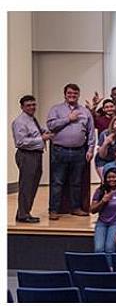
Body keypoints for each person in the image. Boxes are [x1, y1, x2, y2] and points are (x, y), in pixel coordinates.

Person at [46, 83, 95, 219]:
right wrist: (68, 119)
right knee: (57, 182)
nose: (72, 95)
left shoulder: (85, 111)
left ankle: (76, 208)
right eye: (69, 93)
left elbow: (91, 132)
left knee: (76, 182)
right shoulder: (56, 109)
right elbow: (51, 125)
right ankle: (54, 210)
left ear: (78, 95)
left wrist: (91, 149)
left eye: (75, 93)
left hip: (79, 152)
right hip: (59, 151)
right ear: (65, 94)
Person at [11, 94, 53, 223]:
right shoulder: (20, 122)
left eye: (33, 104)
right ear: (22, 107)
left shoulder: (32, 119)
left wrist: (44, 131)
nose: (32, 107)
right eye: (28, 105)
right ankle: (23, 215)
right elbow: (21, 142)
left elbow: (34, 132)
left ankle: (23, 212)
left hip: (36, 154)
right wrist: (42, 138)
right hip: (27, 155)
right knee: (27, 186)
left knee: (32, 185)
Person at [89, 168, 116, 257]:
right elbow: (92, 210)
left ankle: (110, 266)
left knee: (110, 249)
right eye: (109, 177)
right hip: (101, 222)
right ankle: (101, 266)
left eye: (114, 177)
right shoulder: (100, 190)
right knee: (98, 249)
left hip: (115, 223)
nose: (111, 179)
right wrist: (103, 201)